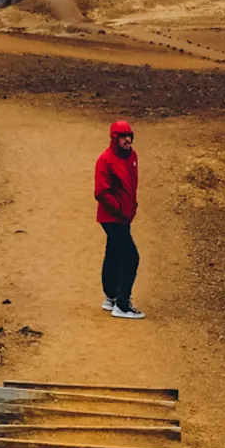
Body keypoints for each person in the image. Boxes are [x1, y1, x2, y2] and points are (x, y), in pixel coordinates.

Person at [95, 120, 144, 319]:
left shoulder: (132, 156)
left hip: (124, 216)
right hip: (113, 217)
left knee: (114, 252)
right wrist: (119, 209)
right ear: (115, 138)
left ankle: (111, 296)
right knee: (131, 257)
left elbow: (131, 184)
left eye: (129, 136)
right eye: (123, 137)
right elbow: (101, 191)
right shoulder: (105, 160)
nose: (127, 140)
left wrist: (131, 207)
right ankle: (122, 304)